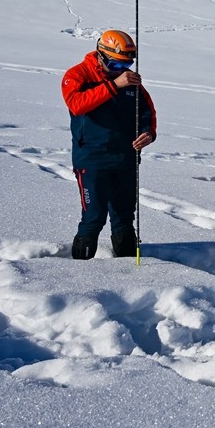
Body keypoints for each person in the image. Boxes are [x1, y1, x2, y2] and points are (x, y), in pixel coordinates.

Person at [62, 29, 157, 259]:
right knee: (93, 216)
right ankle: (78, 272)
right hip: (92, 159)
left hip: (125, 158)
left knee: (124, 216)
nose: (122, 71)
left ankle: (126, 272)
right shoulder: (77, 75)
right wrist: (115, 85)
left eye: (126, 65)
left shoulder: (131, 81)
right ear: (101, 55)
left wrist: (149, 133)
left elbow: (146, 112)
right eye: (116, 65)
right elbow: (76, 104)